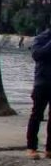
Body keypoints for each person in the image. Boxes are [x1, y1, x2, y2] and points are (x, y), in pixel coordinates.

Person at [29, 21, 51, 158]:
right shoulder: (40, 39)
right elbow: (37, 55)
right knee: (36, 115)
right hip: (42, 83)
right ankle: (31, 147)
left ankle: (49, 149)